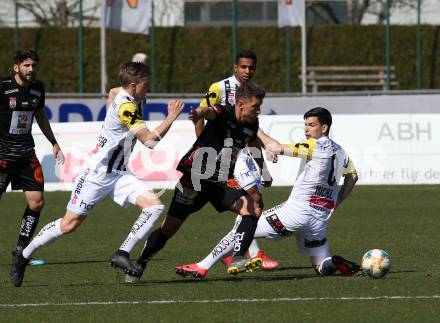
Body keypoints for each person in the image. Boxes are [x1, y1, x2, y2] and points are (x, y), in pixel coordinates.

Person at [10, 62, 184, 287]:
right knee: (69, 224)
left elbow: (113, 91)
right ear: (133, 85)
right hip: (96, 174)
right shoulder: (126, 108)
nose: (148, 88)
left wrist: (111, 101)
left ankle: (122, 252)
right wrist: (171, 117)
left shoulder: (126, 94)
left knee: (155, 207)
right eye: (145, 84)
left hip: (120, 173)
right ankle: (22, 257)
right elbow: (149, 141)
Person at [124, 81, 268, 282]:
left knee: (253, 209)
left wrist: (263, 170)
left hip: (222, 181)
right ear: (241, 104)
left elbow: (252, 143)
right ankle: (140, 262)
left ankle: (237, 259)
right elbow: (209, 111)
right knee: (169, 229)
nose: (258, 111)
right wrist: (199, 113)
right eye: (255, 106)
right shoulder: (224, 113)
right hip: (195, 178)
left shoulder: (252, 124)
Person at [177, 50, 278, 278]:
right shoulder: (219, 88)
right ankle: (244, 253)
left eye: (251, 67)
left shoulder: (253, 92)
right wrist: (203, 148)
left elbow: (251, 131)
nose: (247, 71)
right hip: (225, 156)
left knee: (253, 203)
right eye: (243, 67)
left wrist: (263, 167)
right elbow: (202, 114)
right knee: (253, 201)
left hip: (241, 151)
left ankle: (241, 253)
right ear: (235, 67)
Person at [240, 107, 360, 276]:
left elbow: (275, 147)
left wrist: (257, 130)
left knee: (244, 221)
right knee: (322, 267)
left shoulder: (313, 145)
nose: (306, 129)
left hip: (296, 214)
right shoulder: (340, 151)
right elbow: (353, 177)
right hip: (319, 219)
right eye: (305, 125)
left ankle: (254, 256)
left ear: (324, 128)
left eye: (311, 125)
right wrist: (337, 201)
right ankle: (332, 262)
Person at [0, 49, 65, 269]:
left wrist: (53, 142)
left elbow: (40, 116)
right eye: (27, 65)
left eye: (33, 66)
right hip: (2, 157)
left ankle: (21, 252)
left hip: (26, 154)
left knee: (37, 203)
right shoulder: (3, 87)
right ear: (16, 67)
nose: (31, 69)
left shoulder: (38, 88)